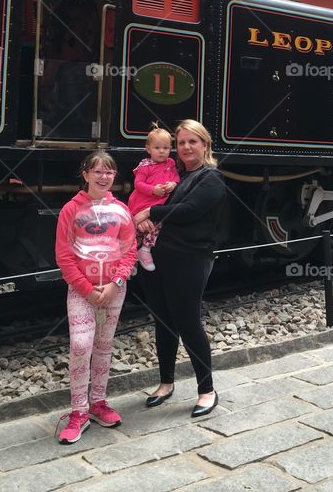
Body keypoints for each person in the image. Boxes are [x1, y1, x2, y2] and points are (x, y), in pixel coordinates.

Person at [132, 119, 227, 418]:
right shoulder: (178, 176)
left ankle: (207, 390)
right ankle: (166, 383)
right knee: (163, 322)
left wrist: (150, 211)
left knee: (188, 322)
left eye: (192, 142)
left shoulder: (210, 178)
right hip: (160, 260)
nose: (185, 147)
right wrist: (144, 216)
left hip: (190, 259)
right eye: (181, 142)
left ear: (205, 145)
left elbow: (189, 212)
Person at [54, 151, 137, 444]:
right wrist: (88, 289)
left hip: (114, 289)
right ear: (85, 174)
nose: (104, 177)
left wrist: (115, 283)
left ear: (115, 177)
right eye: (98, 171)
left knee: (103, 345)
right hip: (81, 290)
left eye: (109, 172)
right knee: (80, 344)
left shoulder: (121, 210)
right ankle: (78, 411)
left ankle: (98, 402)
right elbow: (64, 257)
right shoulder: (70, 210)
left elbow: (129, 250)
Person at [126, 126, 179, 271]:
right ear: (148, 149)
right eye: (157, 148)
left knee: (156, 226)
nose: (162, 151)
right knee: (134, 231)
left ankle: (145, 250)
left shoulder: (171, 163)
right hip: (142, 202)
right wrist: (153, 190)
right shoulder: (145, 166)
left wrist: (173, 184)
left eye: (166, 148)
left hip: (156, 205)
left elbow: (176, 177)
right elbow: (138, 184)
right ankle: (130, 259)